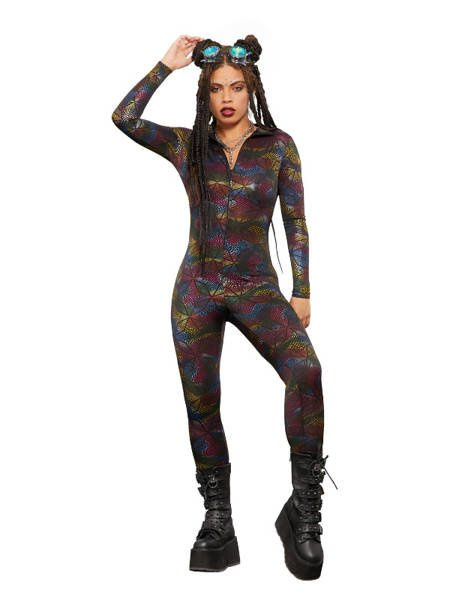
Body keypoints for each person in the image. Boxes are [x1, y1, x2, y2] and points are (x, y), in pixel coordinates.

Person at [111, 34, 337, 580]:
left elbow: (296, 221)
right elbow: (124, 117)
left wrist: (302, 289)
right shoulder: (188, 146)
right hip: (197, 291)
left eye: (236, 87)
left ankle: (303, 511)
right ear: (205, 95)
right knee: (202, 404)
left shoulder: (278, 146)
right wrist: (166, 64)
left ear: (251, 88)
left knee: (305, 371)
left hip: (257, 288)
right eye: (217, 89)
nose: (227, 97)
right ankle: (219, 521)